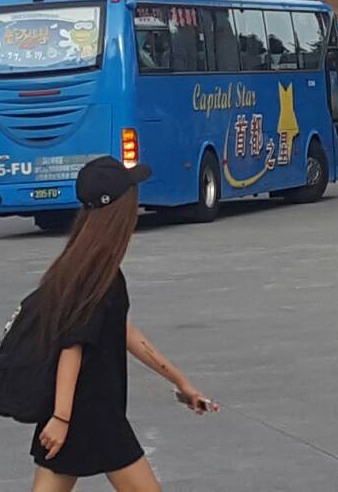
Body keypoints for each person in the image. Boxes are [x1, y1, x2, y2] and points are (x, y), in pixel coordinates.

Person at [28, 156, 217, 491]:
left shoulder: (77, 266)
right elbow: (72, 345)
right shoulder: (99, 276)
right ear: (118, 209)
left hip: (76, 411)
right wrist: (61, 418)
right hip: (91, 413)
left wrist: (179, 381)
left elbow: (123, 331)